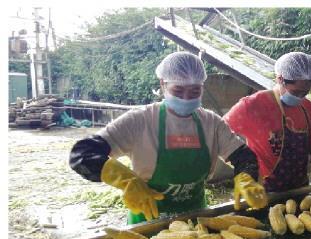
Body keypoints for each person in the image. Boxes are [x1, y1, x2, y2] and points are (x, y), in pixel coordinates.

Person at [69, 52, 268, 224]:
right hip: (148, 222)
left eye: (194, 91)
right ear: (163, 84)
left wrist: (246, 177)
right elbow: (82, 154)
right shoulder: (141, 120)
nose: (186, 98)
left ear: (202, 87)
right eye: (178, 91)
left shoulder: (211, 123)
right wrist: (126, 181)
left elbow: (243, 156)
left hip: (196, 217)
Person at [224, 52, 311, 209]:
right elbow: (220, 134)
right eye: (296, 92)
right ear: (280, 79)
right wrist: (243, 173)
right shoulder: (253, 105)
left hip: (300, 189)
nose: (301, 97)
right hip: (263, 192)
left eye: (306, 92)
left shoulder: (308, 108)